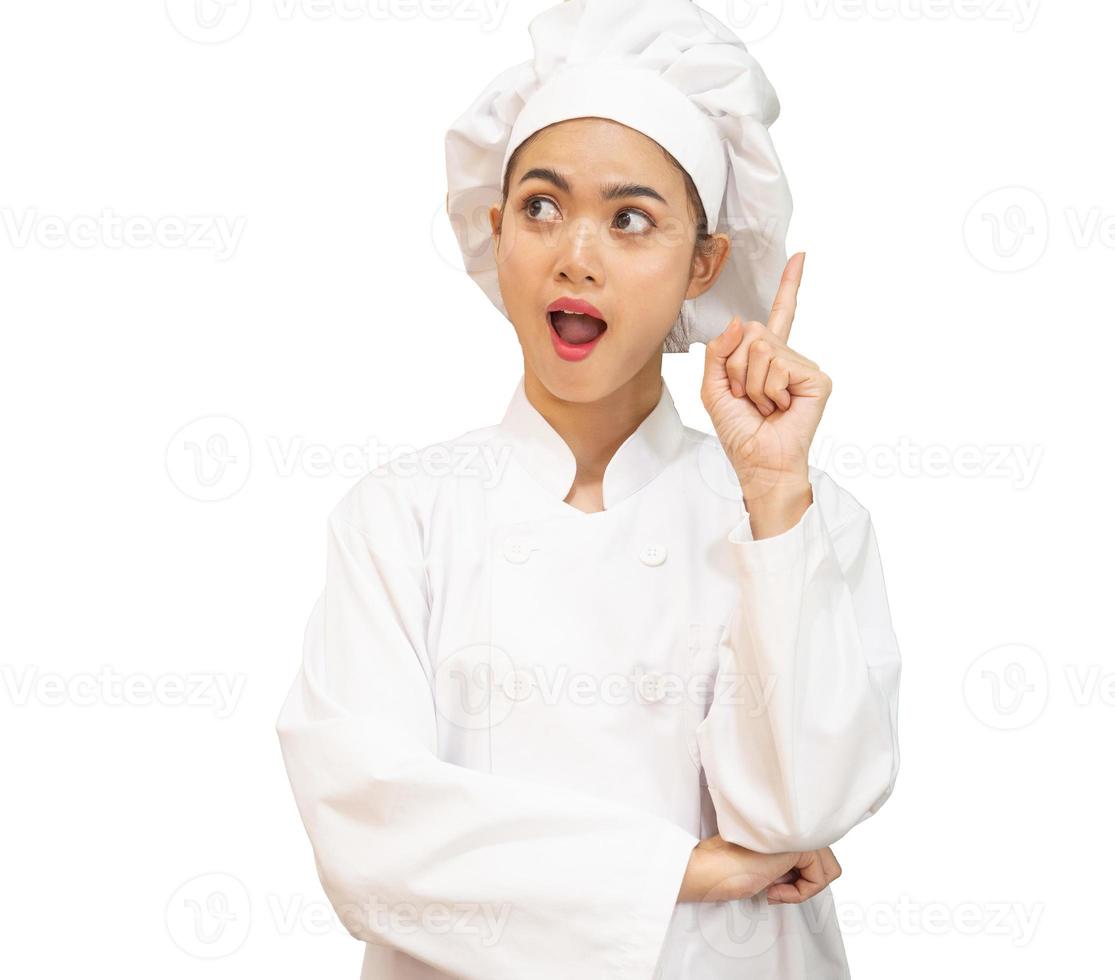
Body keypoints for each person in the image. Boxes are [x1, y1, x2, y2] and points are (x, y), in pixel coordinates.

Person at [275, 1, 901, 976]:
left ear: (703, 263)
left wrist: (774, 493)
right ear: (495, 232)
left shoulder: (795, 517)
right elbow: (369, 834)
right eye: (539, 206)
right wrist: (694, 868)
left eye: (630, 219)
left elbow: (800, 806)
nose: (576, 253)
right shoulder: (401, 517)